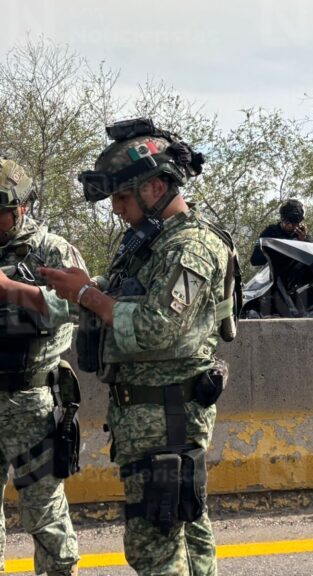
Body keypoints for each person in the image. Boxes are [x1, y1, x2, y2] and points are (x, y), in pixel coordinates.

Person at [41, 118, 239, 575]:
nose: (115, 208)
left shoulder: (189, 247)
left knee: (155, 546)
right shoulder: (150, 245)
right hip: (149, 418)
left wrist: (86, 294)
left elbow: (156, 329)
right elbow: (110, 298)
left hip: (167, 416)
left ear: (154, 187)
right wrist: (62, 292)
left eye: (122, 196)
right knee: (185, 534)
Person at [0, 157, 81, 575]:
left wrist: (15, 291)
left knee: (44, 515)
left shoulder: (52, 250)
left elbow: (79, 307)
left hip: (30, 401)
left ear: (22, 208)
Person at [249, 199, 312, 266]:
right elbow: (255, 260)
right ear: (282, 219)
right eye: (287, 222)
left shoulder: (301, 234)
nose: (290, 226)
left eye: (294, 223)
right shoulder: (270, 232)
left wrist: (303, 241)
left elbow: (312, 257)